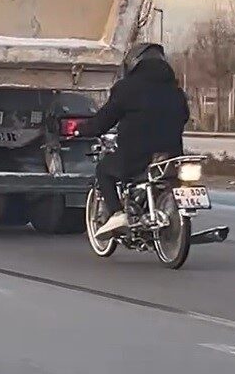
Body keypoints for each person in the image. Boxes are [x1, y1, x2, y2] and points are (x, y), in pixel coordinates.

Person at [76, 43, 190, 239]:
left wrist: (81, 129)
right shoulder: (176, 91)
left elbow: (103, 121)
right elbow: (184, 117)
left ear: (134, 64)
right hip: (171, 157)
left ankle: (117, 214)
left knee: (104, 170)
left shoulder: (126, 89)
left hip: (137, 157)